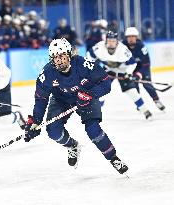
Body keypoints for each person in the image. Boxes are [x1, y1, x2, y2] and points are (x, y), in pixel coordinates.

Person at [24, 38, 128, 175]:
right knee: (53, 131)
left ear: (69, 54)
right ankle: (72, 146)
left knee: (93, 130)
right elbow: (41, 98)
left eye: (62, 56)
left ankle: (113, 158)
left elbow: (105, 83)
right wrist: (35, 121)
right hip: (62, 100)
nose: (59, 60)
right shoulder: (47, 73)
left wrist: (90, 94)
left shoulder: (84, 65)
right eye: (55, 58)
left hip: (86, 97)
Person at [86, 31, 153, 120]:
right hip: (109, 70)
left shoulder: (123, 50)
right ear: (105, 41)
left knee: (131, 91)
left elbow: (133, 63)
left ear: (117, 41)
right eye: (109, 40)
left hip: (123, 71)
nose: (111, 43)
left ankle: (145, 111)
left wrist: (128, 74)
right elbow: (89, 57)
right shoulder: (99, 47)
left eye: (113, 41)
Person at [123, 27, 166, 111]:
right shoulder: (122, 46)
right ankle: (140, 103)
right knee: (134, 86)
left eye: (133, 36)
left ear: (136, 37)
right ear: (126, 38)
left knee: (147, 84)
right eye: (129, 37)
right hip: (131, 68)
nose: (131, 39)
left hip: (143, 67)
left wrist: (139, 74)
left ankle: (156, 100)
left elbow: (146, 63)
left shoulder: (141, 46)